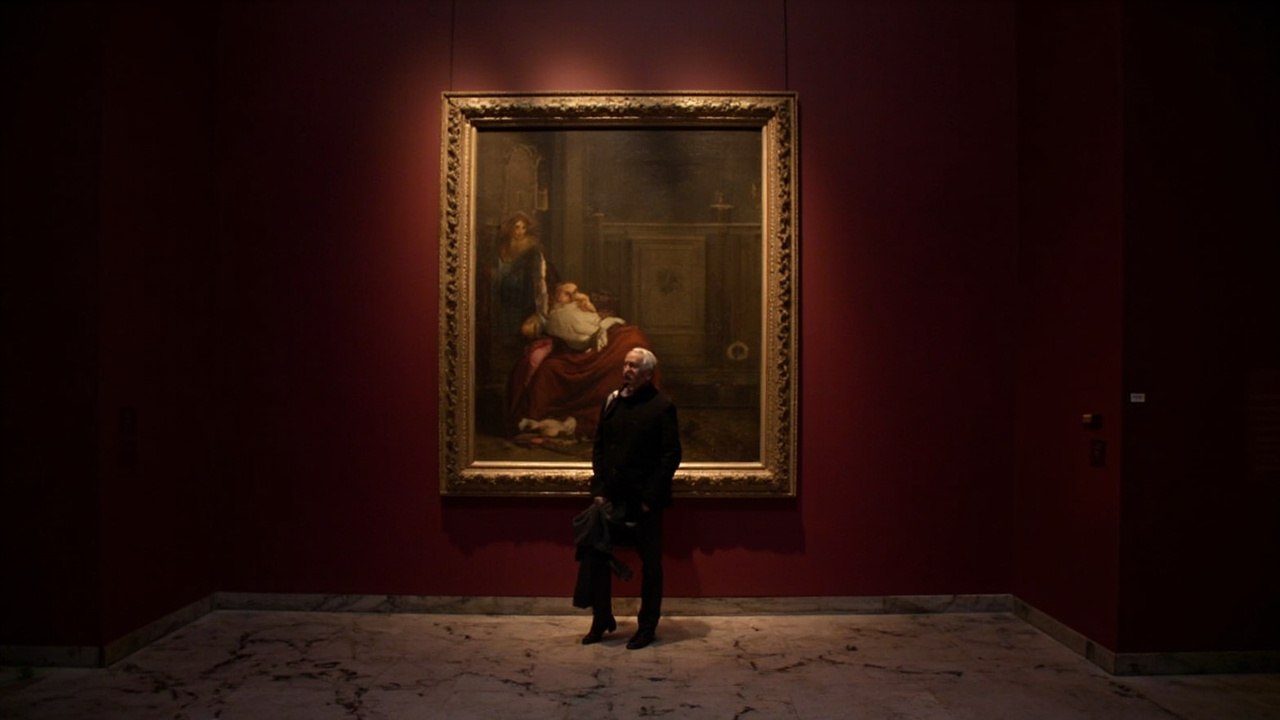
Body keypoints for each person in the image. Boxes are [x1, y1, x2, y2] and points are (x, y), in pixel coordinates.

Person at [580, 347, 682, 649]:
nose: (627, 370)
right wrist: (599, 490)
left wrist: (649, 498)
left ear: (648, 374)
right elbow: (599, 448)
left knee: (650, 566)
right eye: (625, 364)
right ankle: (601, 619)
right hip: (611, 498)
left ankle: (647, 626)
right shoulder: (612, 401)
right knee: (597, 557)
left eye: (634, 366)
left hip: (643, 502)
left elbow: (671, 455)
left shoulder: (662, 406)